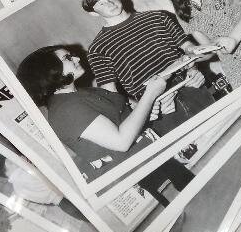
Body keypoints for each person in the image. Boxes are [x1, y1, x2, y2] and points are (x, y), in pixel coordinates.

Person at [16, 44, 194, 200]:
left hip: (154, 159)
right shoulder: (65, 110)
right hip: (146, 172)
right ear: (50, 72)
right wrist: (149, 95)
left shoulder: (80, 93)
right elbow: (121, 141)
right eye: (68, 58)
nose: (77, 57)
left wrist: (148, 110)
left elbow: (126, 117)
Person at [79, 0, 214, 132]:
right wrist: (143, 107)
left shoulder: (158, 17)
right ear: (93, 13)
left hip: (190, 85)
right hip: (157, 105)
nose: (110, 4)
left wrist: (194, 69)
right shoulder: (97, 48)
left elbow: (188, 49)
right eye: (101, 4)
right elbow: (110, 94)